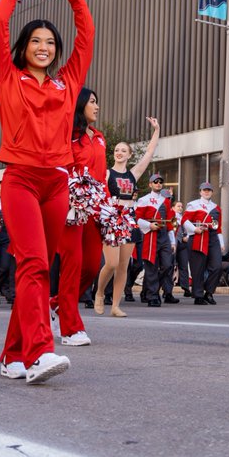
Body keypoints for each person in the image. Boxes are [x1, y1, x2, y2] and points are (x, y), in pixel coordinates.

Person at [0, 0, 93, 384]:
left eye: (50, 42)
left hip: (57, 183)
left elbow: (87, 37)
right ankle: (38, 353)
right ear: (24, 47)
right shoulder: (6, 78)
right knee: (32, 263)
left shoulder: (67, 83)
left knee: (38, 268)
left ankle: (12, 353)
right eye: (36, 41)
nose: (44, 47)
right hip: (21, 181)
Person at [53, 88, 111, 345]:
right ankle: (70, 328)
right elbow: (60, 170)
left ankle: (57, 304)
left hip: (95, 209)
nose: (97, 107)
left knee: (91, 266)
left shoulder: (99, 138)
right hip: (70, 208)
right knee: (73, 264)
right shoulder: (67, 136)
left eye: (97, 102)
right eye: (92, 102)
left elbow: (101, 175)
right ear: (80, 105)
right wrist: (66, 199)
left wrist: (108, 208)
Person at [93, 119, 160, 317]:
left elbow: (149, 153)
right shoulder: (106, 173)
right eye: (117, 150)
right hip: (112, 219)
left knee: (123, 266)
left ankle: (115, 305)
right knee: (112, 263)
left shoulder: (133, 174)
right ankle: (99, 293)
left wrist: (156, 130)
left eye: (124, 150)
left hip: (129, 220)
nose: (119, 153)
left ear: (130, 155)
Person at [136, 173, 179, 307]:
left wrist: (172, 241)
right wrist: (149, 225)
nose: (158, 184)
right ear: (150, 184)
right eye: (155, 182)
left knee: (167, 265)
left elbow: (170, 222)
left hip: (164, 235)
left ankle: (150, 289)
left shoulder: (166, 201)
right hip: (151, 235)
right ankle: (152, 295)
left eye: (160, 182)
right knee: (151, 267)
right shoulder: (144, 200)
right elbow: (137, 218)